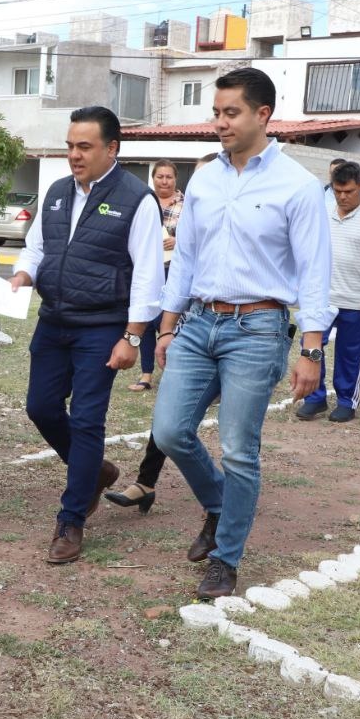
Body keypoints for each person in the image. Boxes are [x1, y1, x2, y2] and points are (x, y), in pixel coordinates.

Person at [152, 67, 331, 599]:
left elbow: (315, 271)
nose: (220, 122)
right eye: (217, 112)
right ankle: (218, 503)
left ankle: (226, 558)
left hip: (258, 327)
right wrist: (166, 327)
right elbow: (185, 257)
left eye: (231, 113)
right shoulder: (205, 177)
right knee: (169, 432)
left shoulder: (297, 186)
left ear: (262, 115)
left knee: (238, 449)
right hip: (198, 321)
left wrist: (312, 350)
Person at [9, 106, 164, 564]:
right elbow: (36, 248)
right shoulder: (57, 192)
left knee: (87, 419)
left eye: (84, 147)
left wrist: (132, 337)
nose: (74, 155)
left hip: (102, 327)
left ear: (112, 148)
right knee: (40, 406)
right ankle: (95, 471)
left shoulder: (137, 199)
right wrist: (21, 275)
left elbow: (148, 277)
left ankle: (71, 520)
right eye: (70, 146)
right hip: (54, 320)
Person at [107, 153, 219, 515]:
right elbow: (179, 275)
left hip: (241, 330)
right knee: (169, 408)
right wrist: (167, 328)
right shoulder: (191, 223)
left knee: (237, 427)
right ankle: (145, 483)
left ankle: (235, 494)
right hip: (193, 323)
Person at [296, 161, 360, 423]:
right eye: (338, 191)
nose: (342, 196)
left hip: (356, 298)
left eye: (348, 191)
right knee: (312, 347)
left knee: (350, 353)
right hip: (322, 298)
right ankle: (315, 398)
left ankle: (347, 400)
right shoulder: (323, 212)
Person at [128, 158, 185, 392]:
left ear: (176, 179)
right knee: (148, 318)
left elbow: (198, 236)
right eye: (160, 176)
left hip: (174, 268)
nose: (164, 181)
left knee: (171, 322)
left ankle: (173, 373)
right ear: (153, 179)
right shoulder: (143, 201)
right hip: (148, 268)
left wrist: (178, 241)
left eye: (169, 176)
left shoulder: (187, 204)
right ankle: (146, 374)